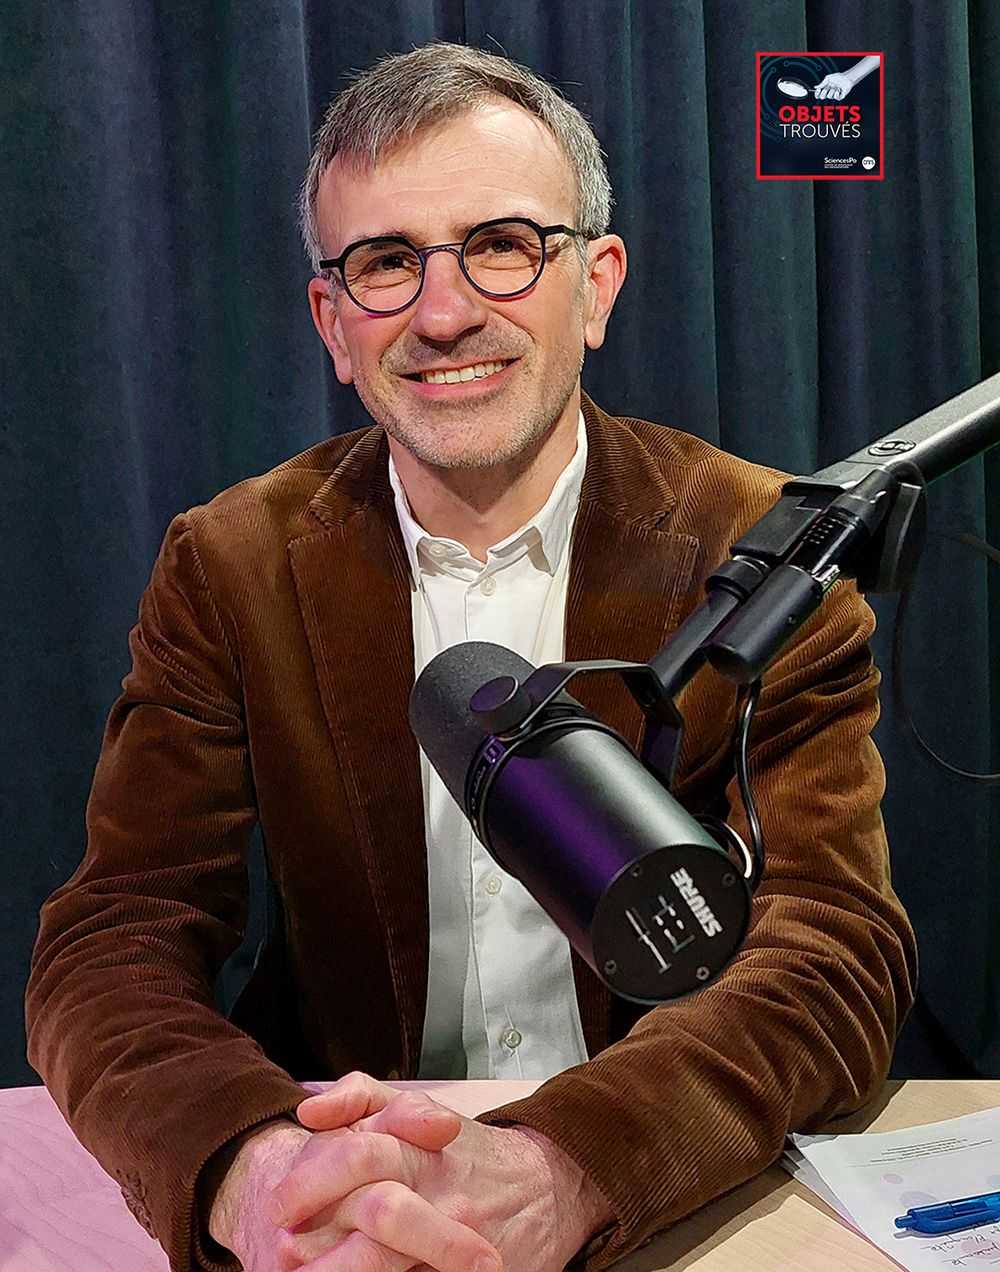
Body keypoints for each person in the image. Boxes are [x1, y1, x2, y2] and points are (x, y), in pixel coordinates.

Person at [25, 40, 917, 1272]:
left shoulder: (766, 551)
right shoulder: (228, 564)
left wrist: (567, 1166)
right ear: (333, 324)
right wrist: (253, 1170)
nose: (442, 315)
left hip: (665, 1208)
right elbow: (114, 939)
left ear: (595, 285)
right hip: (345, 1202)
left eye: (502, 245)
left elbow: (833, 948)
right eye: (386, 263)